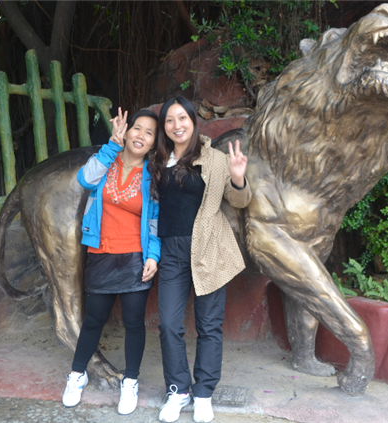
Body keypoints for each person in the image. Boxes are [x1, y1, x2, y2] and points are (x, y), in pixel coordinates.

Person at [150, 96, 251, 423]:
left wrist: (238, 177)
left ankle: (204, 393)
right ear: (164, 127)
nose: (176, 125)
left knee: (208, 325)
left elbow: (239, 200)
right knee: (168, 324)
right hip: (171, 253)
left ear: (193, 122)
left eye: (182, 118)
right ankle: (178, 391)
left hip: (208, 248)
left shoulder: (216, 159)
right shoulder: (158, 160)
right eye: (169, 120)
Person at [62, 108, 161, 416]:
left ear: (154, 142)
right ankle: (77, 374)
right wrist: (112, 145)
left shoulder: (153, 175)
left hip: (135, 258)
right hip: (101, 254)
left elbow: (155, 221)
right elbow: (84, 179)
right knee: (93, 320)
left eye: (149, 133)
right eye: (137, 128)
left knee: (134, 323)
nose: (141, 135)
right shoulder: (107, 161)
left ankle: (130, 381)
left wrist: (153, 256)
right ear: (126, 131)